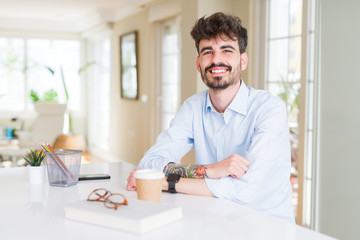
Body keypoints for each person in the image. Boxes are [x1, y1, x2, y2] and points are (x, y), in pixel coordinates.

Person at [126, 12, 295, 223]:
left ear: (243, 61)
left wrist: (164, 182)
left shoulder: (270, 109)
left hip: (268, 227)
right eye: (208, 52)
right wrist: (210, 170)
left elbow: (243, 190)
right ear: (198, 64)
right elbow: (149, 163)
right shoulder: (192, 107)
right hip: (214, 220)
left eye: (227, 50)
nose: (216, 60)